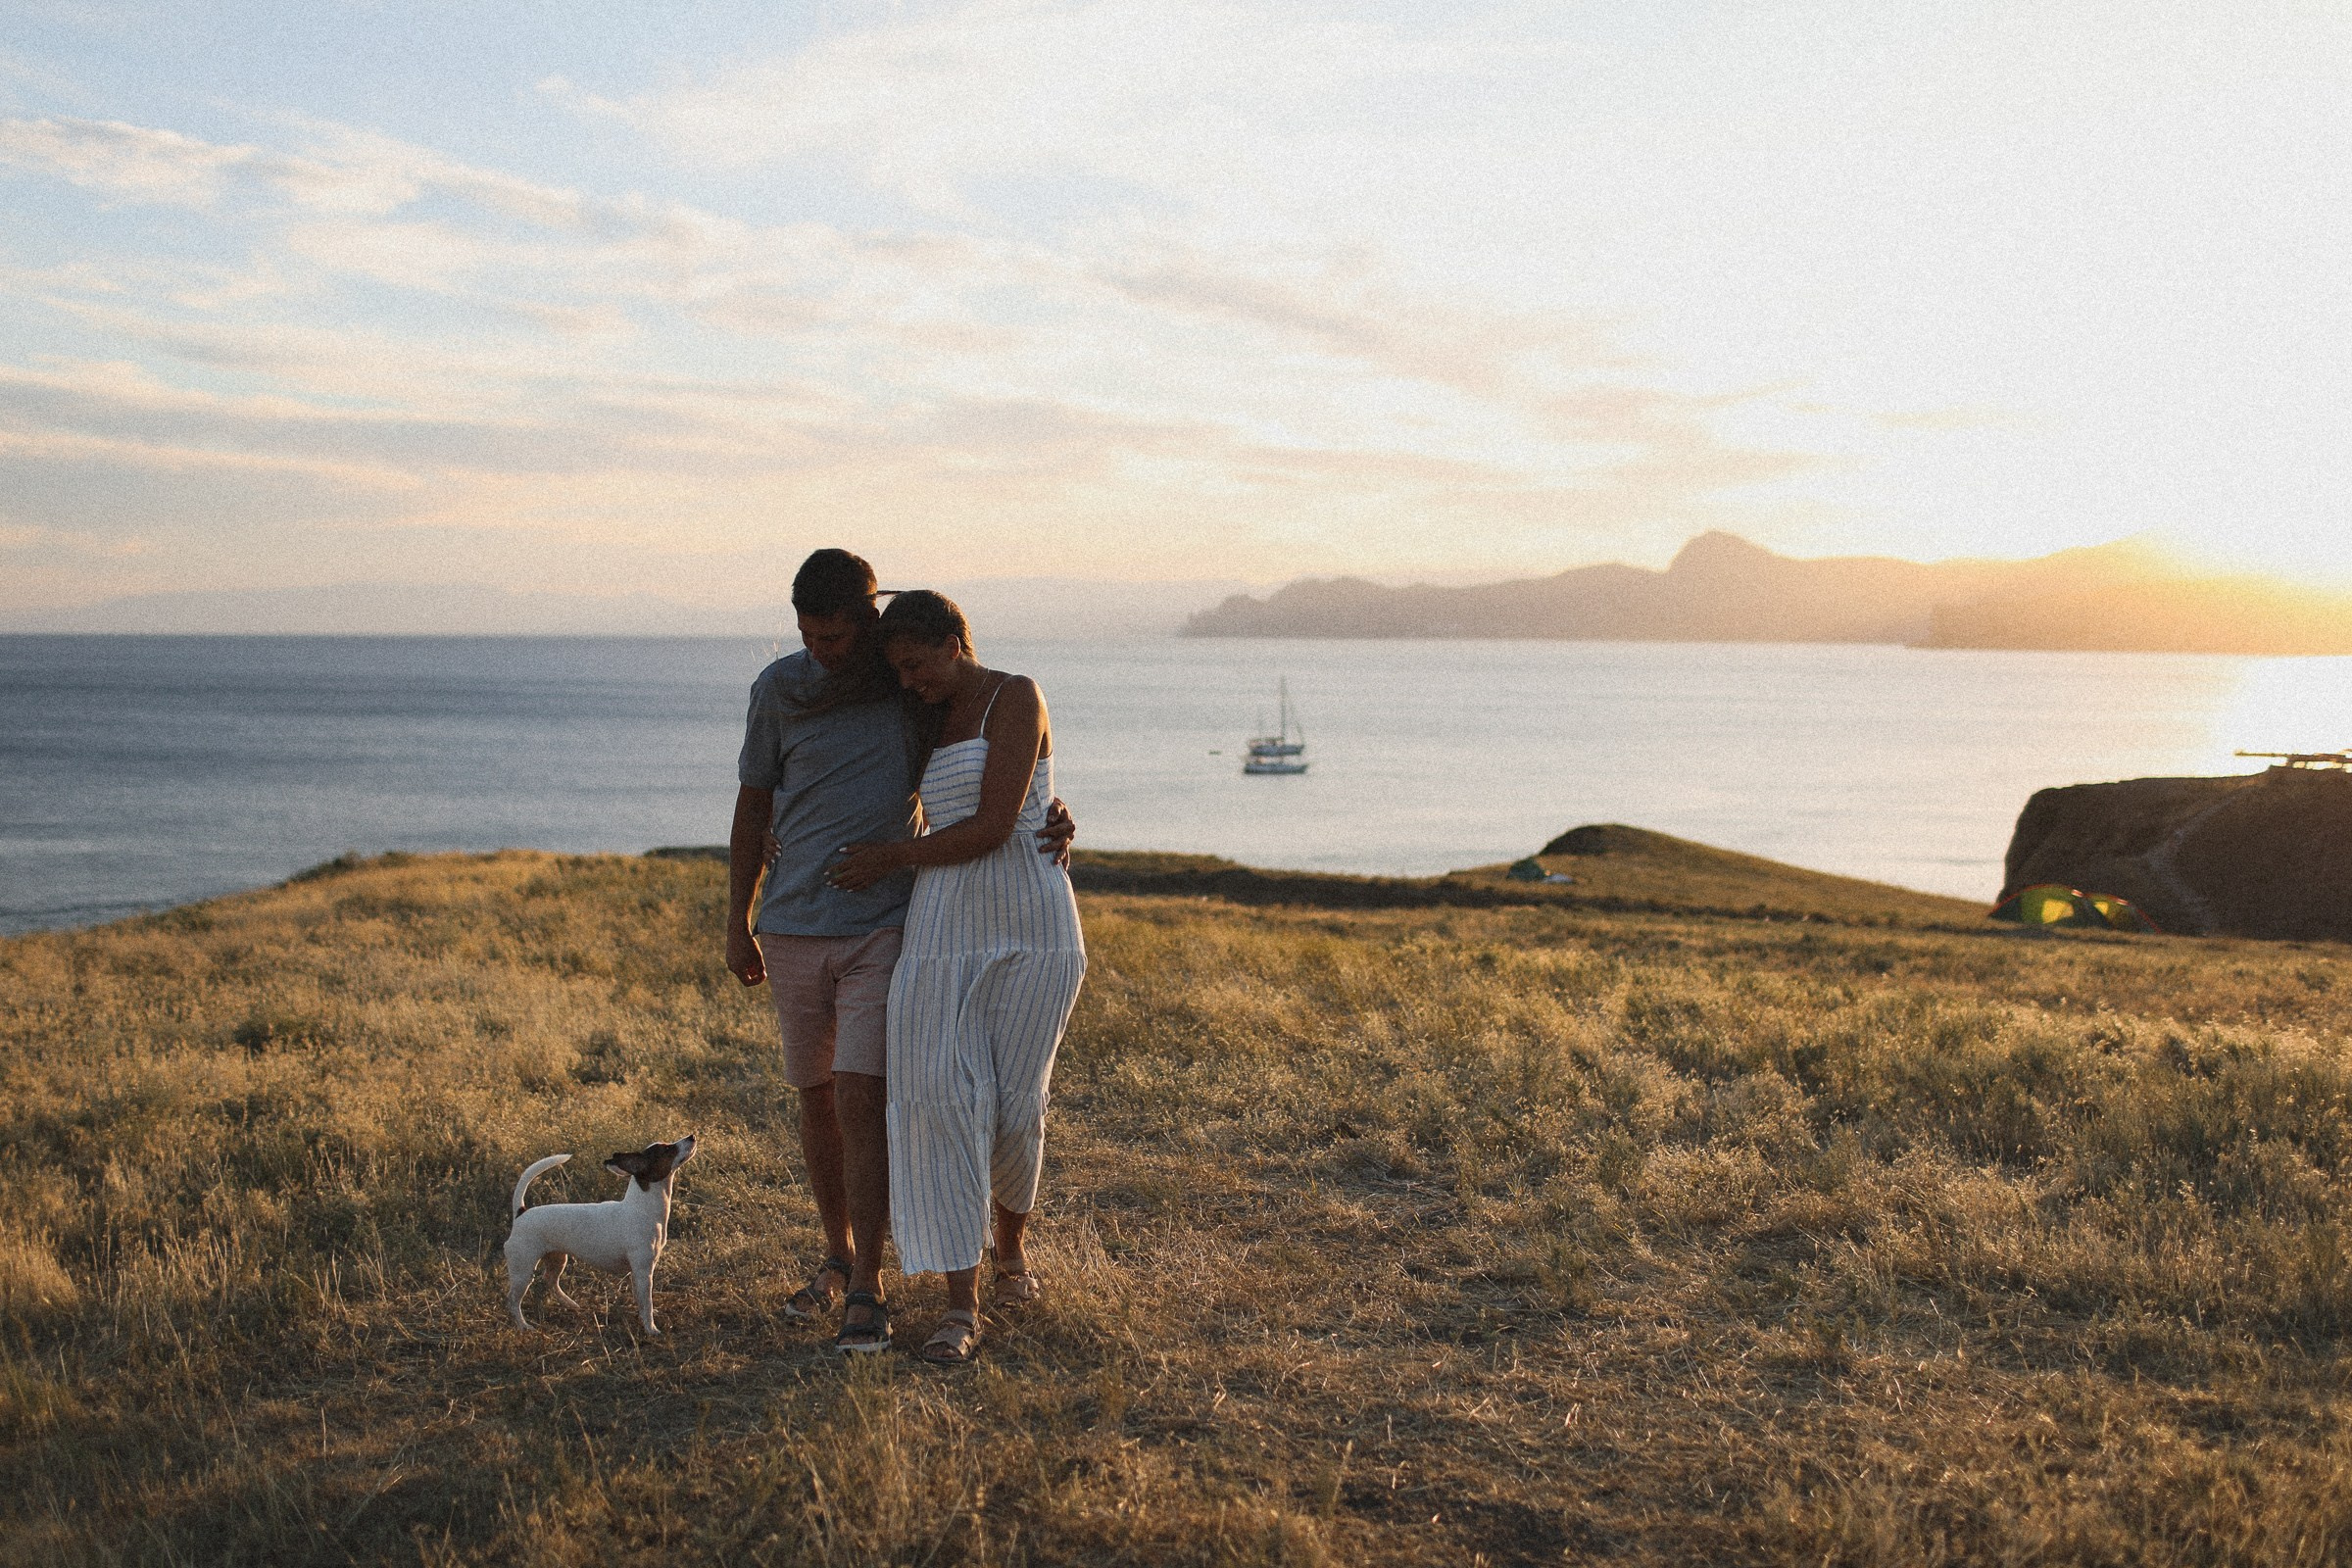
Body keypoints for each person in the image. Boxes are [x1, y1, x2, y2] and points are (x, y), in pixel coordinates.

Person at [726, 552, 1071, 1355]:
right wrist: (737, 915)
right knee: (830, 1097)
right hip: (815, 923)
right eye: (808, 635)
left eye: (836, 635)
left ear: (873, 622)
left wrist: (1049, 808)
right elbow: (756, 796)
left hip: (895, 921)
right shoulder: (785, 689)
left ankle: (877, 1283)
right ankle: (845, 1259)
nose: (821, 651)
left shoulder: (901, 680)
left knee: (870, 1096)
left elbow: (990, 774)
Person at [826, 591, 1087, 1365]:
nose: (908, 683)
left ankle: (1012, 1254)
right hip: (942, 928)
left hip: (1031, 925)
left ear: (953, 643)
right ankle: (959, 1305)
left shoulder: (1017, 694)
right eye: (896, 671)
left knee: (1012, 1105)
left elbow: (1000, 823)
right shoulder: (915, 714)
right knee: (937, 1100)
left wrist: (891, 858)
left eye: (916, 665)